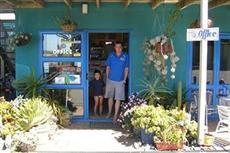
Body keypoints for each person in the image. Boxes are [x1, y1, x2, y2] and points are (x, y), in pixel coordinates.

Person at [105, 41, 129, 123]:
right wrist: (107, 78)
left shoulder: (125, 56)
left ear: (122, 48)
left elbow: (126, 68)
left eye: (119, 47)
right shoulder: (111, 55)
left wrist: (125, 79)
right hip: (110, 80)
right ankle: (109, 112)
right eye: (116, 47)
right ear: (114, 48)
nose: (118, 49)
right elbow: (108, 67)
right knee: (110, 97)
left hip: (120, 81)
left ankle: (115, 116)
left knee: (118, 99)